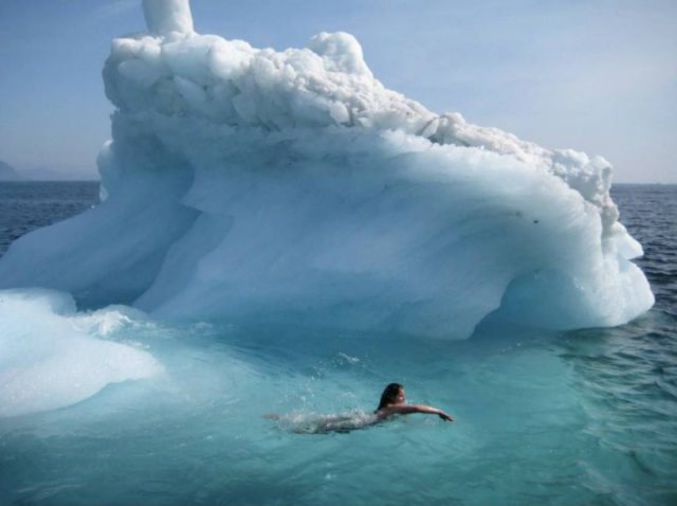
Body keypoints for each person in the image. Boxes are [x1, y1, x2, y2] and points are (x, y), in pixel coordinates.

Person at [374, 383, 453, 422]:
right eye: (401, 396)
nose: (404, 398)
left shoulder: (385, 407)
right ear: (391, 397)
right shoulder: (392, 407)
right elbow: (416, 408)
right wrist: (439, 411)